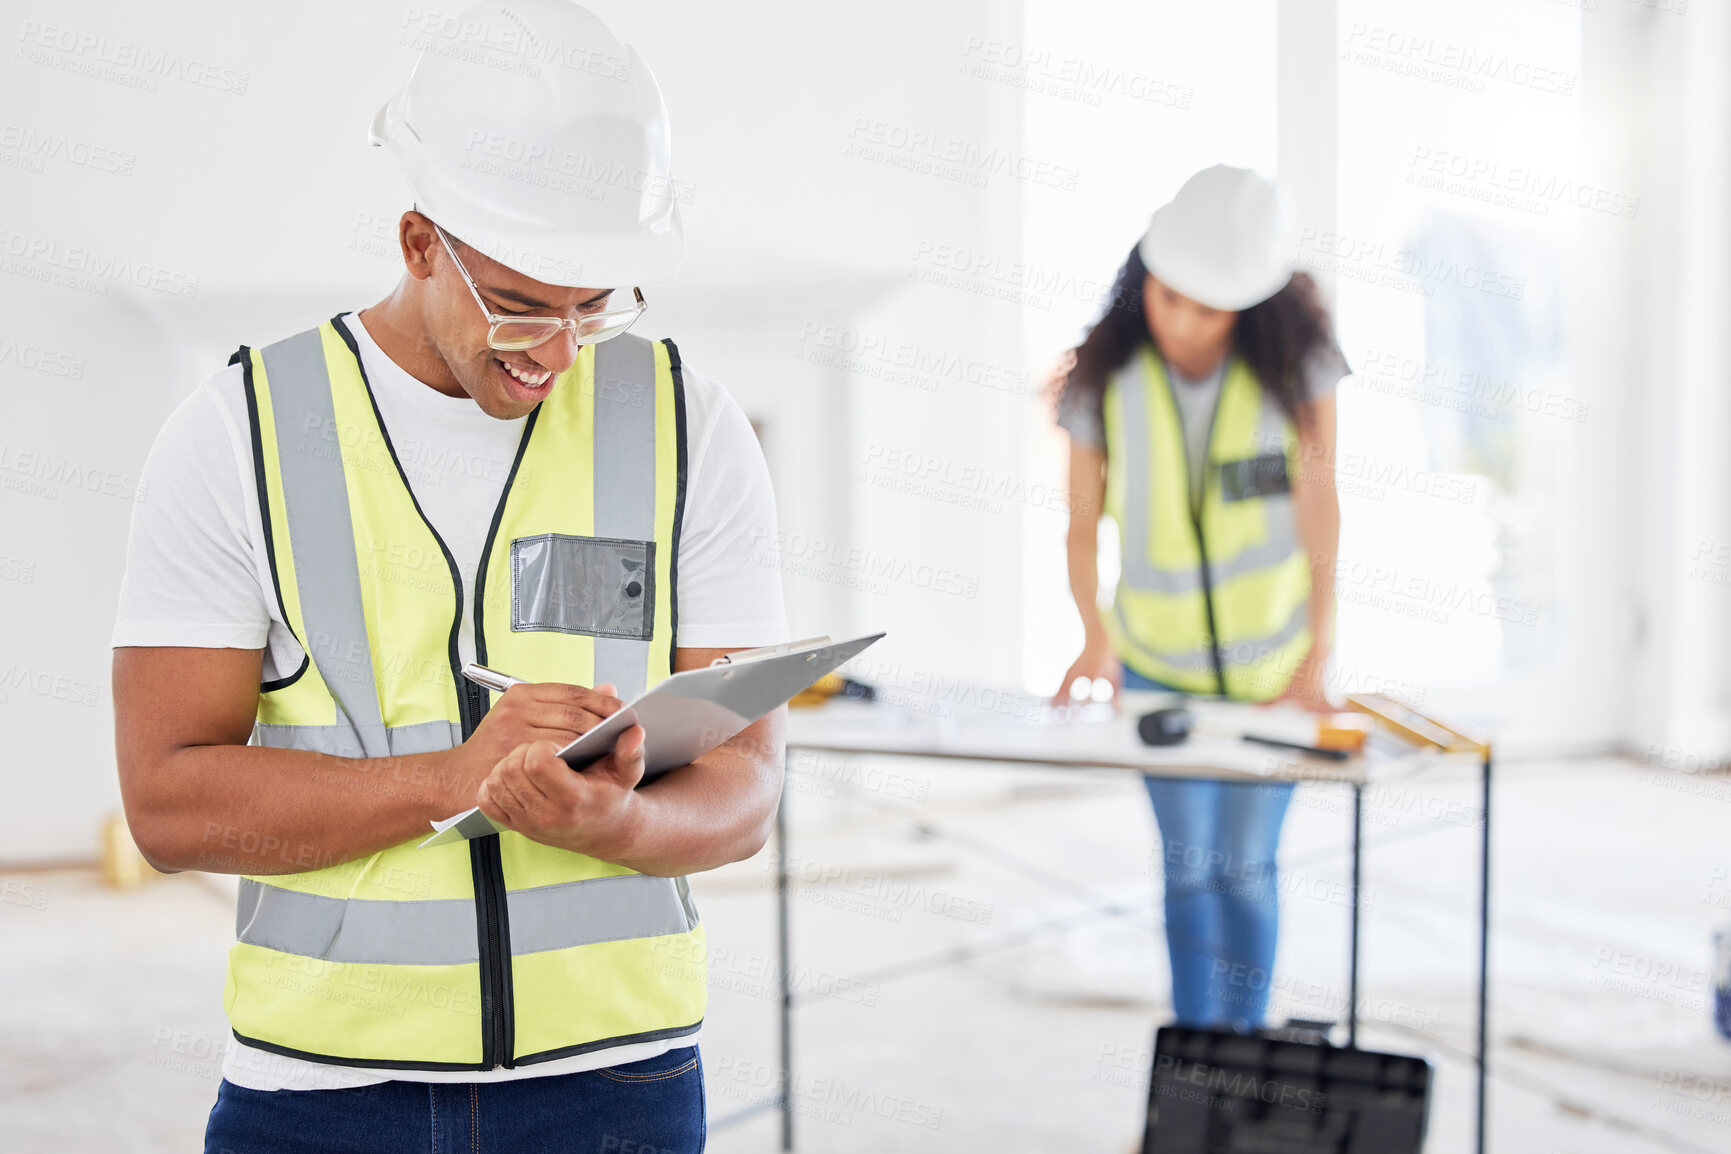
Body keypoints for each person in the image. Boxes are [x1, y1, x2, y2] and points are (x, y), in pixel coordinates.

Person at [110, 4, 788, 1150]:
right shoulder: (244, 431)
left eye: (596, 304)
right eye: (522, 303)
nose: (561, 351)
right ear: (421, 240)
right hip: (318, 1096)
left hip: (619, 1089)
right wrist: (456, 777)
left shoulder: (687, 424)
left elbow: (749, 790)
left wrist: (611, 819)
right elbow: (167, 803)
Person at [1052, 165, 1344, 1031]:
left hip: (1274, 668)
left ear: (1248, 305)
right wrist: (1091, 638)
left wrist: (1318, 655)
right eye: (1166, 296)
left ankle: (1245, 1058)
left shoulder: (1300, 366)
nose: (1180, 323)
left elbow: (1321, 507)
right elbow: (1078, 525)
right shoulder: (1101, 379)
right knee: (1187, 871)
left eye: (1206, 307)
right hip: (1157, 668)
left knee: (1246, 868)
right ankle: (1198, 1069)